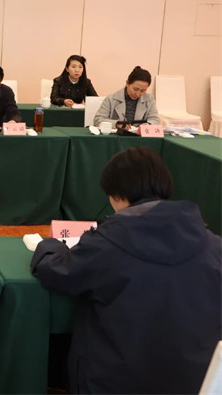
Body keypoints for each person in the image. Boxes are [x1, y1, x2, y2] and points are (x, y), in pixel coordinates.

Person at [30, 147, 221, 394]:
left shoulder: (109, 243)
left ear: (117, 195)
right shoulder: (214, 245)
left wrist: (50, 245)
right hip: (195, 381)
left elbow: (56, 271)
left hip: (114, 381)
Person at [94, 66, 160, 128]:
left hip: (139, 135)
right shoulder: (111, 99)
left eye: (143, 90)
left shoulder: (150, 100)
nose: (138, 94)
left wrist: (145, 126)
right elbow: (98, 120)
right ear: (127, 83)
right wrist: (116, 124)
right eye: (135, 89)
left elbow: (155, 120)